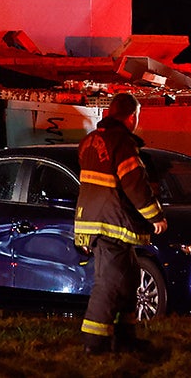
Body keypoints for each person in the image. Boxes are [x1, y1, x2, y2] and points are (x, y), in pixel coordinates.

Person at [74, 92, 167, 355]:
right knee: (109, 284)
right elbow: (134, 184)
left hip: (98, 222)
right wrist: (155, 216)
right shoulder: (121, 143)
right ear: (132, 117)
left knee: (128, 280)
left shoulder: (90, 141)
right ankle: (94, 344)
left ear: (107, 114)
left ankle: (125, 338)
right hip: (110, 225)